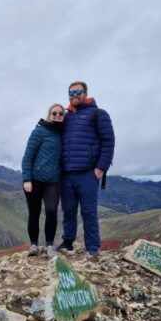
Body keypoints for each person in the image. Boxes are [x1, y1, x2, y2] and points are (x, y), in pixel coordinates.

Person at [58, 81, 115, 257]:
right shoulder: (65, 117)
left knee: (89, 211)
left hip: (87, 173)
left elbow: (108, 141)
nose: (74, 95)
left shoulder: (98, 114)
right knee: (68, 211)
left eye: (78, 92)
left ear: (85, 92)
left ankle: (93, 248)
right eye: (71, 92)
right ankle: (67, 242)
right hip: (66, 173)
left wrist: (101, 168)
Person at [21, 103, 64, 258]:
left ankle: (50, 246)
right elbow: (27, 157)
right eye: (54, 113)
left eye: (61, 113)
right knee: (34, 212)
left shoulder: (62, 133)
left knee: (52, 211)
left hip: (53, 181)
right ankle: (33, 245)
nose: (57, 116)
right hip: (35, 179)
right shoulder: (39, 132)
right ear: (49, 114)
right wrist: (27, 179)